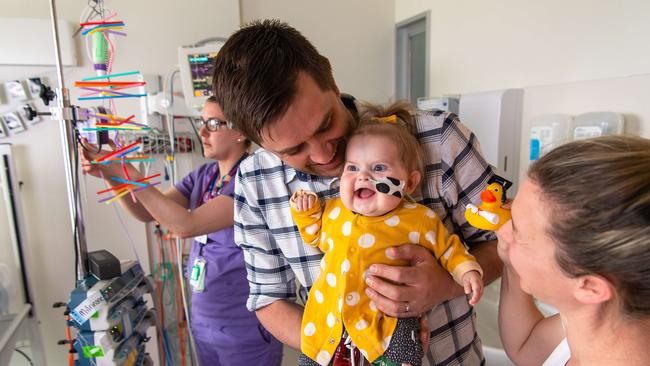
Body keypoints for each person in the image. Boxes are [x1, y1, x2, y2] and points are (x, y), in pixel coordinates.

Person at [212, 20, 502, 365]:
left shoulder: (439, 139)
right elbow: (267, 299)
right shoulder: (255, 181)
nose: (323, 155)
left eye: (324, 125)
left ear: (331, 81)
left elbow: (507, 244)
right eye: (294, 150)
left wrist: (445, 285)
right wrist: (338, 352)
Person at [79, 97, 283, 366]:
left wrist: (124, 169)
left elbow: (186, 225)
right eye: (202, 122)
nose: (202, 131)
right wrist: (111, 175)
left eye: (213, 123)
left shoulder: (251, 180)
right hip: (205, 323)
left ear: (241, 130)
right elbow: (146, 212)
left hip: (244, 331)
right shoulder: (204, 176)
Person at [290, 103, 484, 366]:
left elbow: (449, 249)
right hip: (329, 320)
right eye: (352, 168)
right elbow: (314, 236)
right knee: (313, 354)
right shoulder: (334, 212)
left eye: (379, 168)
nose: (363, 177)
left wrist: (466, 272)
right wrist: (307, 213)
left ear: (410, 183)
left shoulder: (417, 219)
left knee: (403, 347)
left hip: (389, 321)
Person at [496, 135, 650, 366]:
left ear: (590, 287)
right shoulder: (598, 323)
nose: (503, 231)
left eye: (517, 231)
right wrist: (513, 264)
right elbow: (525, 345)